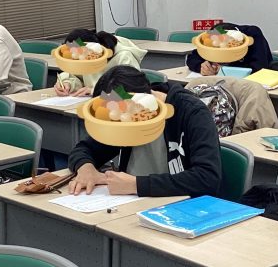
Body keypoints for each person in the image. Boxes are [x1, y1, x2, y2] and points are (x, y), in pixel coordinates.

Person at [67, 66, 221, 197]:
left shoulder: (192, 112)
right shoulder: (122, 117)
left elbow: (207, 178)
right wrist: (86, 169)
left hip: (182, 205)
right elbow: (83, 149)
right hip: (132, 202)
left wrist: (136, 185)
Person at [54, 28, 147, 96]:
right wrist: (68, 83)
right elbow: (77, 75)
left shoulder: (124, 57)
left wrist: (94, 91)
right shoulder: (86, 57)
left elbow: (131, 90)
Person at [186, 22, 273, 76]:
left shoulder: (253, 34)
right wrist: (201, 67)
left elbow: (260, 69)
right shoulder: (213, 34)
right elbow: (192, 58)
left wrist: (224, 70)